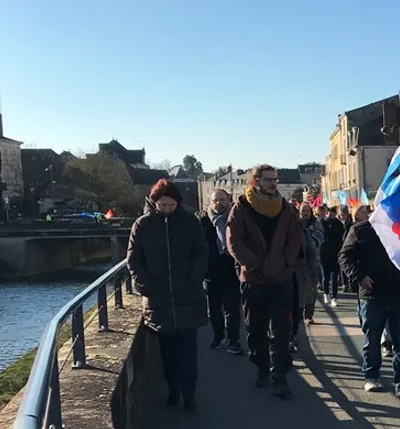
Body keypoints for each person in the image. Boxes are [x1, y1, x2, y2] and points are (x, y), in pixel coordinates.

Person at [128, 179, 208, 412]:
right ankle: (173, 388)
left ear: (178, 203)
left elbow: (201, 251)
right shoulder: (142, 225)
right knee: (168, 352)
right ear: (154, 203)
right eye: (162, 205)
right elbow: (134, 259)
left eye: (171, 205)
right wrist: (144, 284)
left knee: (189, 349)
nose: (166, 209)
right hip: (159, 298)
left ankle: (189, 393)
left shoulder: (190, 222)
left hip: (187, 294)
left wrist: (195, 276)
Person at [227, 164, 302, 399]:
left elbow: (295, 238)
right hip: (254, 279)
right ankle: (261, 367)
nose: (273, 183)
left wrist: (285, 262)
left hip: (280, 279)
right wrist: (253, 263)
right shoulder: (241, 208)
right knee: (255, 329)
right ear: (255, 181)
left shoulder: (286, 208)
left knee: (281, 331)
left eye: (275, 179)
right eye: (268, 179)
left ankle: (280, 377)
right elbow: (234, 241)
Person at [339, 204, 400, 400]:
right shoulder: (361, 230)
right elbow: (344, 256)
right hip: (373, 294)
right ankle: (371, 376)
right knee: (372, 339)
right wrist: (360, 276)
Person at [200, 189, 243, 355]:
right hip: (210, 273)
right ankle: (218, 336)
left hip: (231, 272)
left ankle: (233, 341)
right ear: (211, 202)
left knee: (232, 309)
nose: (219, 203)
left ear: (228, 200)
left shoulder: (235, 220)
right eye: (216, 200)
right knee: (213, 310)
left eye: (223, 199)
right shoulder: (203, 222)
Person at [296, 202, 323, 327]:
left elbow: (320, 237)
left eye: (307, 210)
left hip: (313, 261)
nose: (305, 213)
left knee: (312, 288)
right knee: (299, 287)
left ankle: (308, 315)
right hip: (299, 262)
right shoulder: (296, 224)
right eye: (303, 210)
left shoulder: (315, 223)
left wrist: (308, 242)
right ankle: (298, 313)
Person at [319, 204, 345, 306]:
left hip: (335, 253)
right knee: (326, 276)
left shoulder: (338, 224)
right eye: (330, 215)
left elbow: (341, 238)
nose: (331, 217)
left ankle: (334, 297)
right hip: (324, 253)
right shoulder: (322, 223)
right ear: (326, 214)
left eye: (333, 215)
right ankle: (326, 294)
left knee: (334, 276)